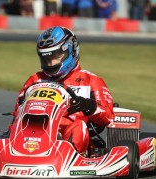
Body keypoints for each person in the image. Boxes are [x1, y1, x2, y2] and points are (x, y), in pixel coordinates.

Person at [12, 26, 114, 156]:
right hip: (35, 128)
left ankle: (68, 155)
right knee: (16, 126)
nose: (51, 63)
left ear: (71, 51)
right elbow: (17, 114)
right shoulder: (35, 80)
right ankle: (13, 150)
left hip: (69, 131)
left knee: (78, 127)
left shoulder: (90, 80)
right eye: (46, 59)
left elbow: (109, 117)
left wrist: (88, 105)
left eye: (56, 57)